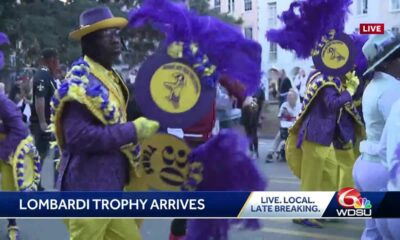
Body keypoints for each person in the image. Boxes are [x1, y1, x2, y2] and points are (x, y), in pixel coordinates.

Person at [50, 7, 159, 240]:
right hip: (88, 189)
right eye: (107, 35)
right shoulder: (79, 83)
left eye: (117, 34)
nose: (116, 39)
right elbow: (79, 137)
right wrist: (133, 130)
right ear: (89, 41)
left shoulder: (108, 76)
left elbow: (124, 113)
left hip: (111, 189)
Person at [353, 31, 400, 240]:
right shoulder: (392, 89)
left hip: (367, 166)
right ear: (395, 60)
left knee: (373, 232)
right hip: (381, 170)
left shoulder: (375, 85)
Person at [30, 48, 59, 191]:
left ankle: (40, 183)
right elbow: (39, 99)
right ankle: (35, 184)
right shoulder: (42, 75)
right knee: (40, 154)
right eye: (56, 61)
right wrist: (42, 122)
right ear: (51, 60)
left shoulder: (48, 75)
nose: (57, 64)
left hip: (50, 122)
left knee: (48, 153)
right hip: (43, 123)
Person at [266, 89, 301, 162]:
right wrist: (285, 115)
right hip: (285, 126)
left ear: (295, 98)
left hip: (295, 128)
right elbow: (280, 117)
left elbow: (299, 118)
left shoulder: (299, 106)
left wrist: (290, 115)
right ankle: (271, 152)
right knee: (278, 137)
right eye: (288, 97)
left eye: (291, 97)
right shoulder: (284, 105)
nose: (289, 98)